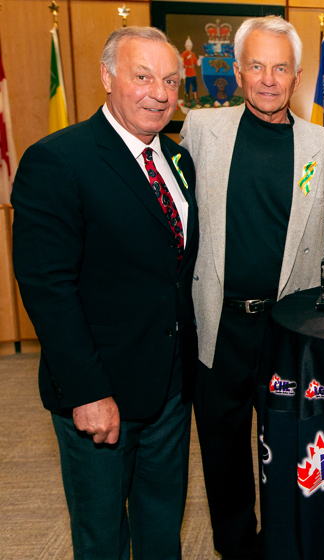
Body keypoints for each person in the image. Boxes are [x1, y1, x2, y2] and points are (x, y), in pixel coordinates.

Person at [12, 27, 197, 559]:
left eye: (169, 81)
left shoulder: (177, 161)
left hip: (168, 388)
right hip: (100, 393)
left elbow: (172, 271)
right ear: (107, 77)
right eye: (142, 77)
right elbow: (48, 288)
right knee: (102, 541)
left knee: (163, 530)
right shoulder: (58, 160)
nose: (158, 94)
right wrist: (88, 392)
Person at [180, 15, 324, 560]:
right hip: (218, 329)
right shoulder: (202, 130)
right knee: (224, 462)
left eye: (280, 67)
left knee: (293, 454)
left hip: (288, 335)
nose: (268, 78)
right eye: (257, 65)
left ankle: (286, 547)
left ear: (297, 76)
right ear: (237, 70)